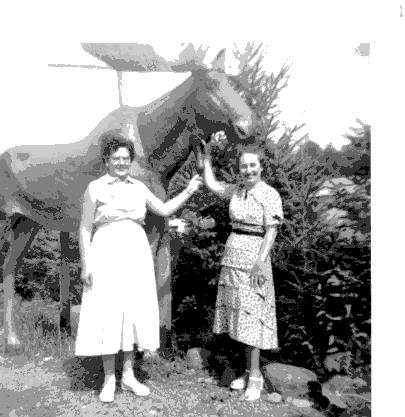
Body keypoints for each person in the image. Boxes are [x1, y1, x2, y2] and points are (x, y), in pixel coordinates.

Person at [75, 133, 202, 403]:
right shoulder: (94, 188)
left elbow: (164, 209)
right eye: (116, 159)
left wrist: (189, 190)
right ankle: (109, 379)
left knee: (132, 309)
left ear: (130, 162)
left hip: (136, 251)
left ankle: (130, 376)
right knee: (109, 310)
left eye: (125, 159)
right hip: (105, 250)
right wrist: (87, 263)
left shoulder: (139, 188)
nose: (121, 163)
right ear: (107, 161)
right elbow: (85, 228)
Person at [199, 139, 283, 401]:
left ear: (261, 167)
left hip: (255, 257)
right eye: (244, 166)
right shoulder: (235, 190)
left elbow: (272, 229)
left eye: (252, 165)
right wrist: (207, 161)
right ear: (239, 170)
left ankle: (256, 377)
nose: (248, 170)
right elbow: (213, 185)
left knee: (253, 314)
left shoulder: (270, 194)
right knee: (238, 314)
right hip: (233, 253)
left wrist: (260, 261)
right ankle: (247, 371)